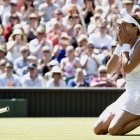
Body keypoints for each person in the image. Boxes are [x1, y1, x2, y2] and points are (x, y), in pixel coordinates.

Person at [94, 14, 140, 135]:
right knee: (98, 129)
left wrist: (124, 45)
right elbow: (110, 70)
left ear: (136, 28)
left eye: (125, 24)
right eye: (120, 24)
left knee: (114, 130)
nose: (121, 28)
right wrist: (120, 45)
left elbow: (127, 68)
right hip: (129, 93)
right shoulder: (124, 44)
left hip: (139, 93)